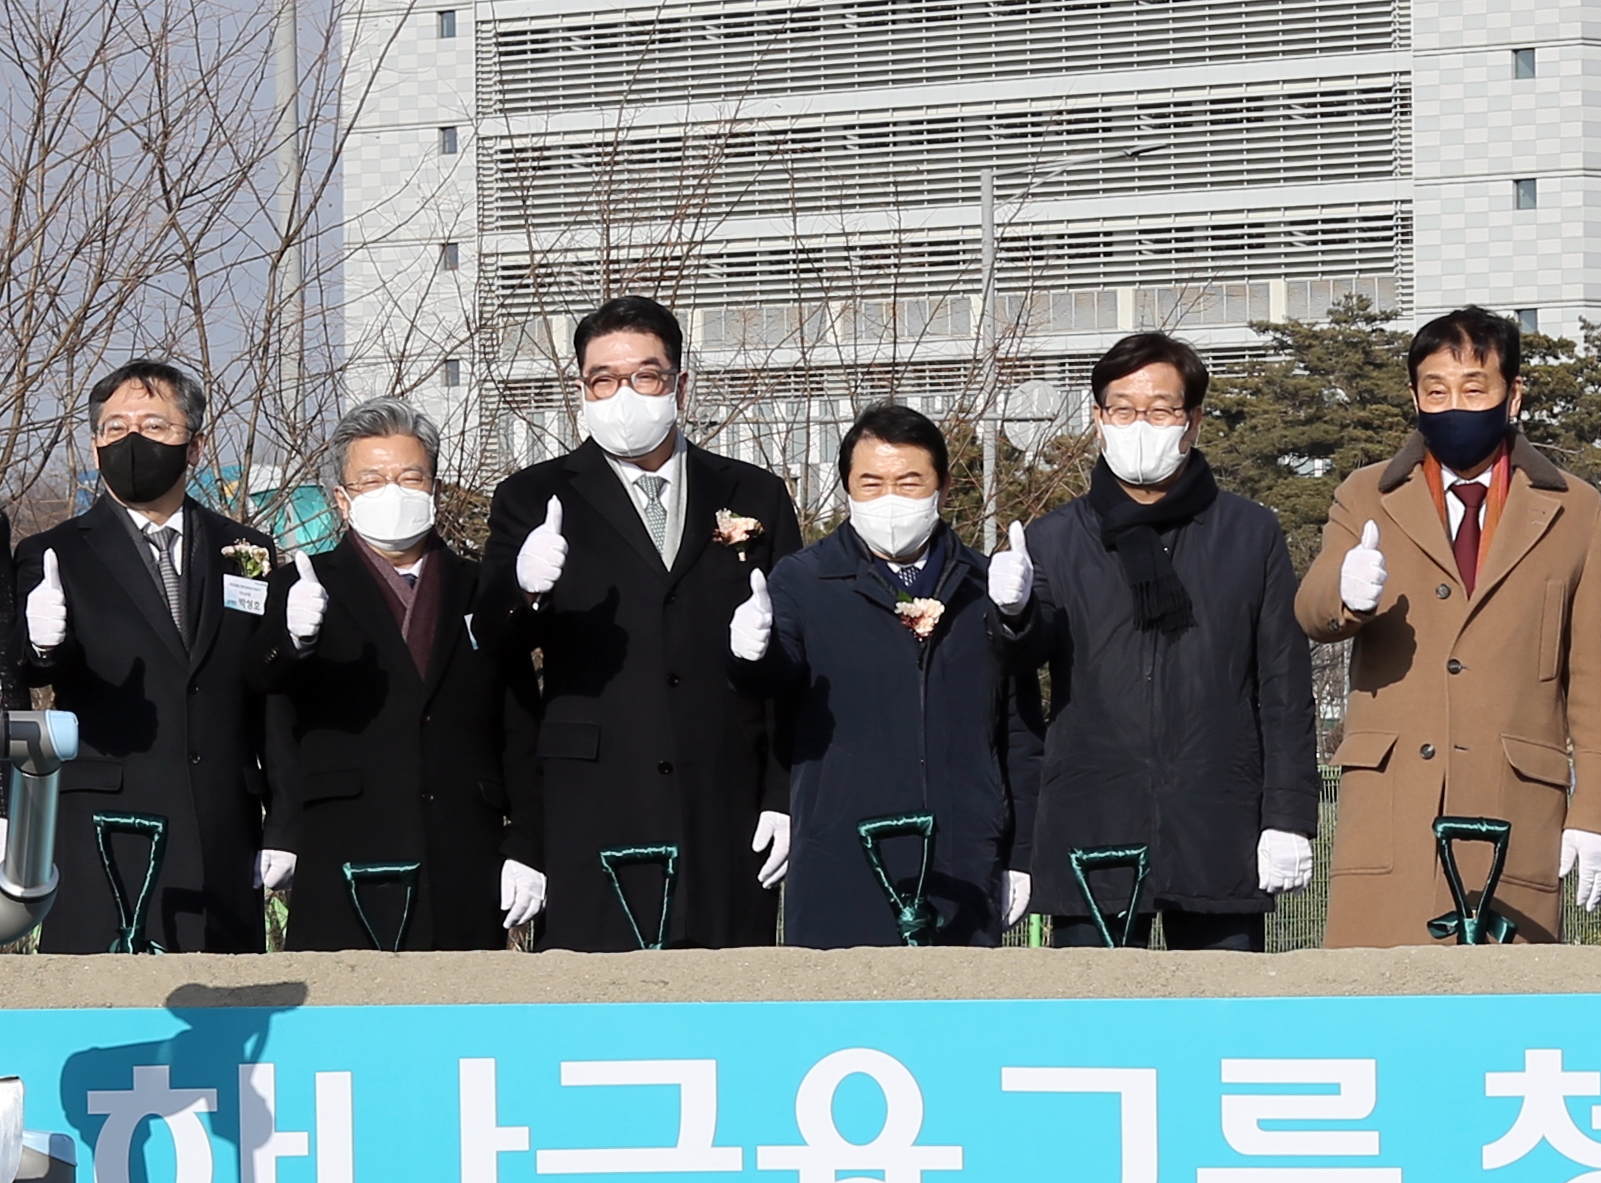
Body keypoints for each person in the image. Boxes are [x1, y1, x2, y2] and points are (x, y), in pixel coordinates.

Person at [478, 296, 802, 950]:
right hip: (591, 801)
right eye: (603, 379)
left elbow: (795, 658)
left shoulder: (753, 494)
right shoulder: (532, 498)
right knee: (602, 1016)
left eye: (645, 376)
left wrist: (782, 793)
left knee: (728, 1001)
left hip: (724, 798)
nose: (623, 393)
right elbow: (493, 641)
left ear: (680, 383)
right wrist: (524, 589)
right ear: (581, 389)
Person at [1296, 306, 1601, 945]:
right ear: (1414, 396)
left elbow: (1591, 669)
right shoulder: (1367, 494)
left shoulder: (1575, 508)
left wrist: (1599, 808)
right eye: (1436, 390)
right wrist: (1345, 590)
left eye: (1475, 389)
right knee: (1378, 1014)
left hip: (1516, 805)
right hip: (1394, 805)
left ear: (1513, 395)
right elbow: (1311, 609)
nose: (1454, 405)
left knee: (1507, 1023)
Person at [1000, 332, 1315, 950]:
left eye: (1161, 409)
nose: (1139, 424)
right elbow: (1017, 673)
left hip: (1217, 817)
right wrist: (1009, 614)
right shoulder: (1052, 540)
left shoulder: (1249, 534)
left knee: (1221, 1021)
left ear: (1192, 420)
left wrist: (1289, 817)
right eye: (1122, 409)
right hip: (1093, 816)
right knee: (1098, 1032)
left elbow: (1283, 684)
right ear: (1097, 419)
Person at [730, 403, 1032, 948]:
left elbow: (1018, 728)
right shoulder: (803, 579)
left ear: (940, 487)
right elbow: (775, 686)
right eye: (871, 483)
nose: (890, 498)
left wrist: (1023, 852)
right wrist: (751, 652)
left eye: (909, 481)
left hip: (962, 856)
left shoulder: (986, 585)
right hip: (839, 855)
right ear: (847, 488)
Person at [251, 399, 544, 951]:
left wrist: (528, 843)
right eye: (372, 480)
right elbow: (268, 695)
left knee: (459, 1018)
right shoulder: (302, 585)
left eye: (411, 477)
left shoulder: (484, 588)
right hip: (342, 841)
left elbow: (521, 726)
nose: (394, 491)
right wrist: (291, 641)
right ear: (342, 498)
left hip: (464, 845)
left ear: (433, 488)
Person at [11, 360, 283, 952]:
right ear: (95, 445)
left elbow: (270, 691)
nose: (132, 439)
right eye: (115, 428)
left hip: (223, 827)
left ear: (194, 444)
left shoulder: (248, 552)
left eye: (155, 427)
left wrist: (282, 822)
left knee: (228, 1019)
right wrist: (43, 643)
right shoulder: (53, 554)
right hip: (105, 831)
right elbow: (32, 673)